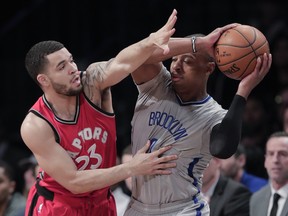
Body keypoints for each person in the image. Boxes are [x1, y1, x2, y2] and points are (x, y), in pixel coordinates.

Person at [20, 9, 179, 216]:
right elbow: (75, 182)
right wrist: (131, 168)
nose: (73, 68)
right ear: (44, 80)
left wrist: (150, 41)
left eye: (71, 60)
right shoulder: (36, 125)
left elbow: (122, 62)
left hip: (101, 202)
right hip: (59, 205)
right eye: (62, 67)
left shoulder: (91, 83)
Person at [124, 27, 272, 215]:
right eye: (174, 59)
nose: (176, 66)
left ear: (209, 68)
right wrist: (198, 44)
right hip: (138, 207)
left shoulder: (213, 115)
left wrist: (243, 90)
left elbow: (223, 149)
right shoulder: (156, 85)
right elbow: (138, 54)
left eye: (188, 61)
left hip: (182, 209)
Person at [250, 131, 288, 216]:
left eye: (282, 154)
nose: (275, 160)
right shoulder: (256, 199)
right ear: (265, 161)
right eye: (271, 154)